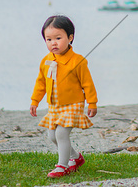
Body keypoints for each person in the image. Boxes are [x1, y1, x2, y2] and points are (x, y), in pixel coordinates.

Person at [30, 15, 98, 178]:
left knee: (61, 134)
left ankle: (62, 166)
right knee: (51, 135)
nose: (53, 43)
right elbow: (41, 83)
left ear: (70, 38)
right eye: (49, 39)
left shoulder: (77, 61)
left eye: (58, 38)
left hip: (72, 104)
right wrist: (35, 101)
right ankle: (75, 157)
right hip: (55, 106)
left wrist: (92, 103)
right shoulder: (46, 61)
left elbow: (87, 83)